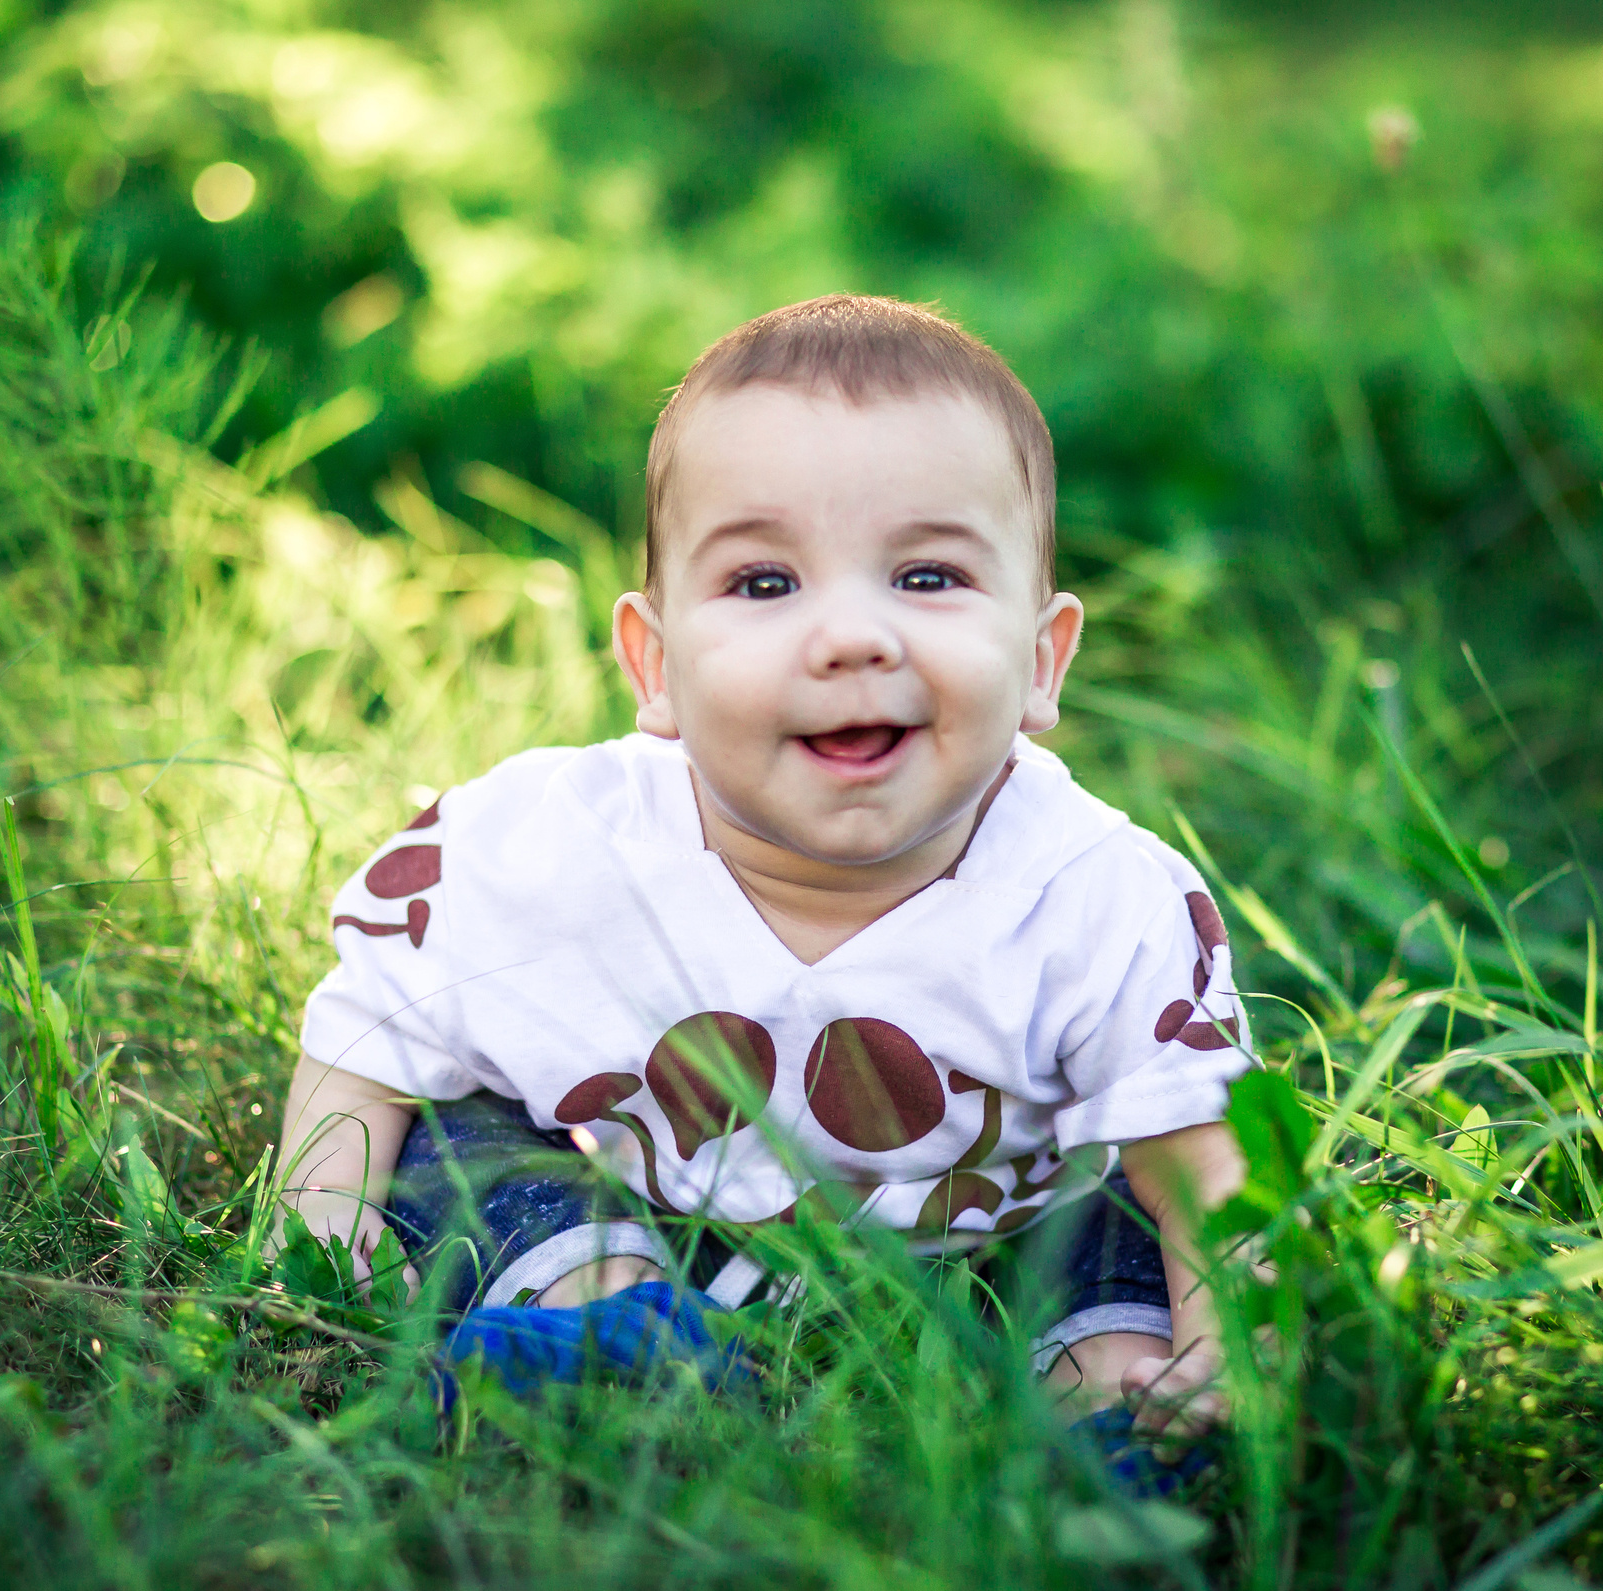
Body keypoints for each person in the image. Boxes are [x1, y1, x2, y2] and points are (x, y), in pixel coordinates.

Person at [277, 294, 1251, 1448]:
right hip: (647, 1216)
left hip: (988, 1240)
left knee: (1123, 1236)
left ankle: (1109, 1430)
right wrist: (318, 1236)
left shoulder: (1096, 895)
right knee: (463, 1150)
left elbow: (1201, 1162)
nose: (850, 636)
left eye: (928, 578)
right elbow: (369, 1043)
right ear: (657, 668)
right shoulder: (541, 846)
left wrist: (1232, 1341)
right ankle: (615, 1339)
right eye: (765, 583)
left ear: (1041, 663)